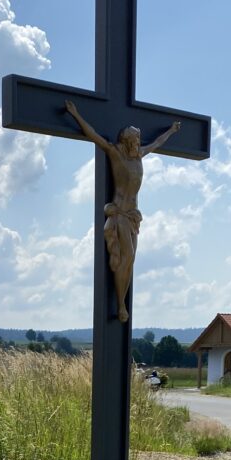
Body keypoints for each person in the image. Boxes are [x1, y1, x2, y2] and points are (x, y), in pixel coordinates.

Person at [65, 99, 180, 322]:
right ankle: (120, 305)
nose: (138, 142)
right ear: (127, 141)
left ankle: (122, 302)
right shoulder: (116, 153)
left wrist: (172, 130)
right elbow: (94, 136)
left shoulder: (141, 155)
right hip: (119, 214)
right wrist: (75, 114)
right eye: (135, 139)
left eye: (138, 139)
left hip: (134, 217)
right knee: (126, 257)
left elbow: (158, 142)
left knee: (131, 259)